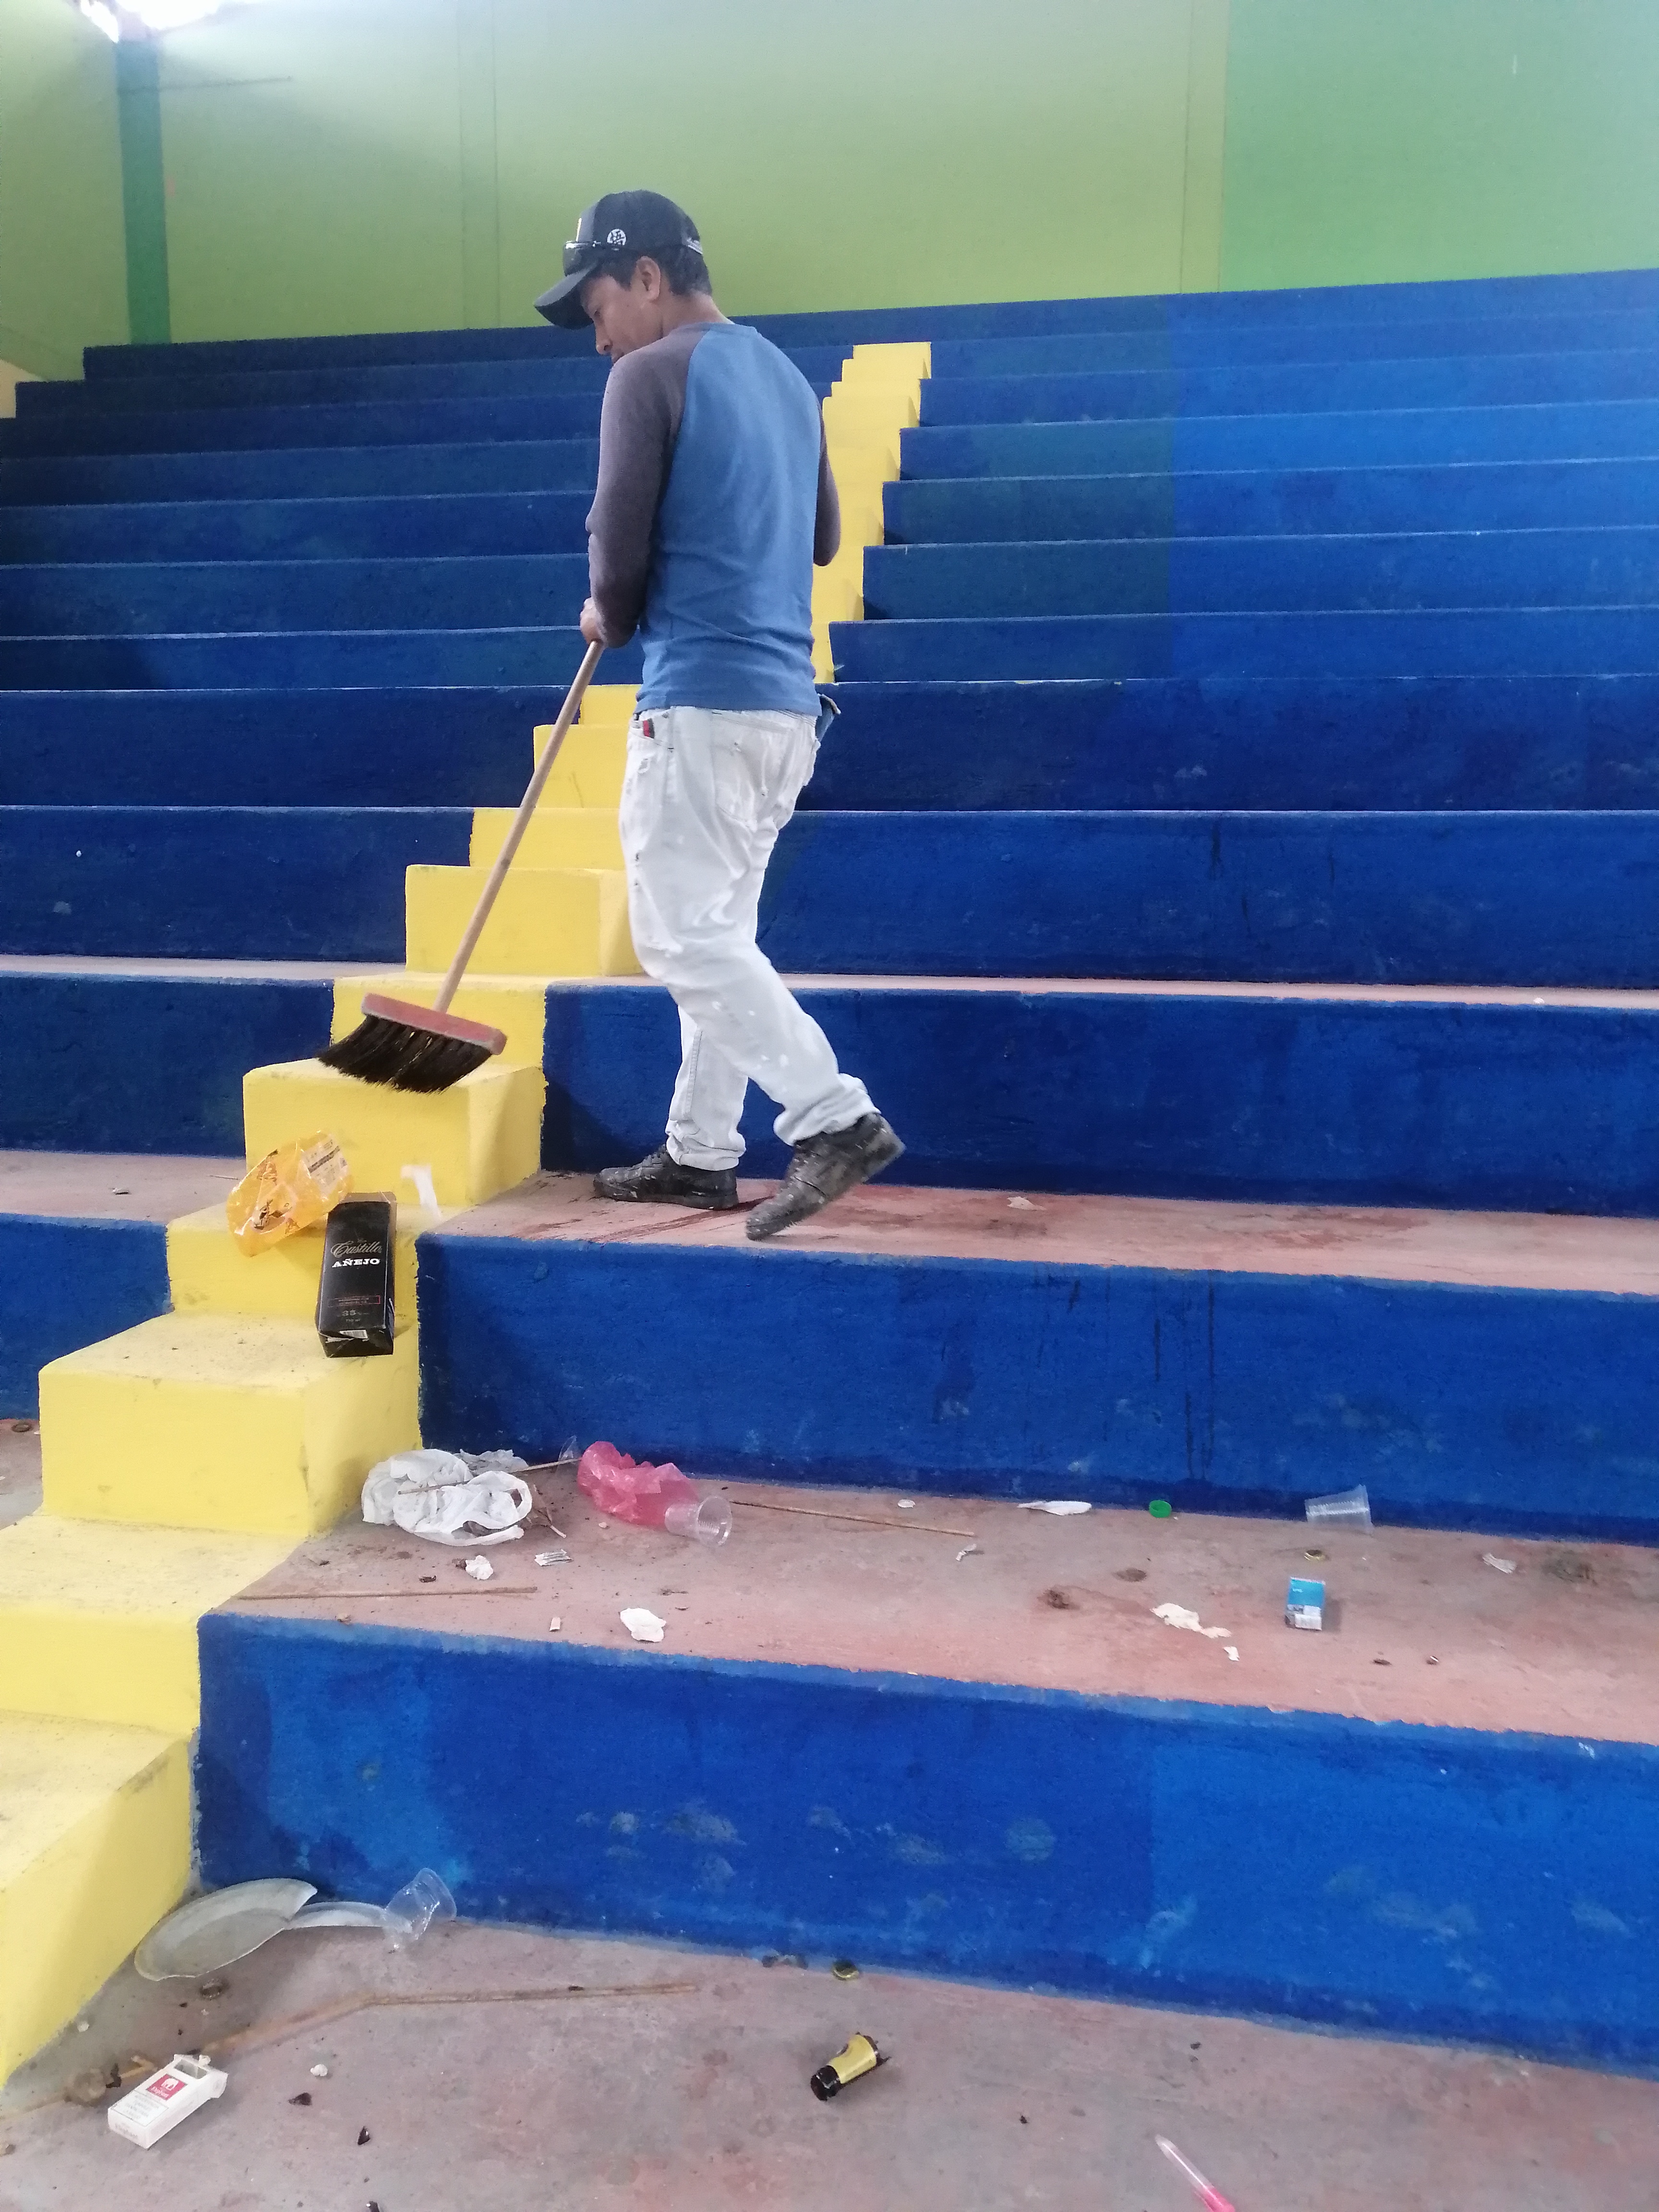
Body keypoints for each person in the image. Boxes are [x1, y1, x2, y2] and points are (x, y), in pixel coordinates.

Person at [536, 191, 904, 1239]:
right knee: (720, 934)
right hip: (787, 712)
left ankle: (833, 1116)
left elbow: (617, 559)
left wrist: (607, 610)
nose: (599, 339)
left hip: (699, 702)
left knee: (676, 937)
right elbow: (822, 538)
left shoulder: (648, 375)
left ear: (648, 277)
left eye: (599, 308)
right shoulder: (787, 378)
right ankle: (701, 1153)